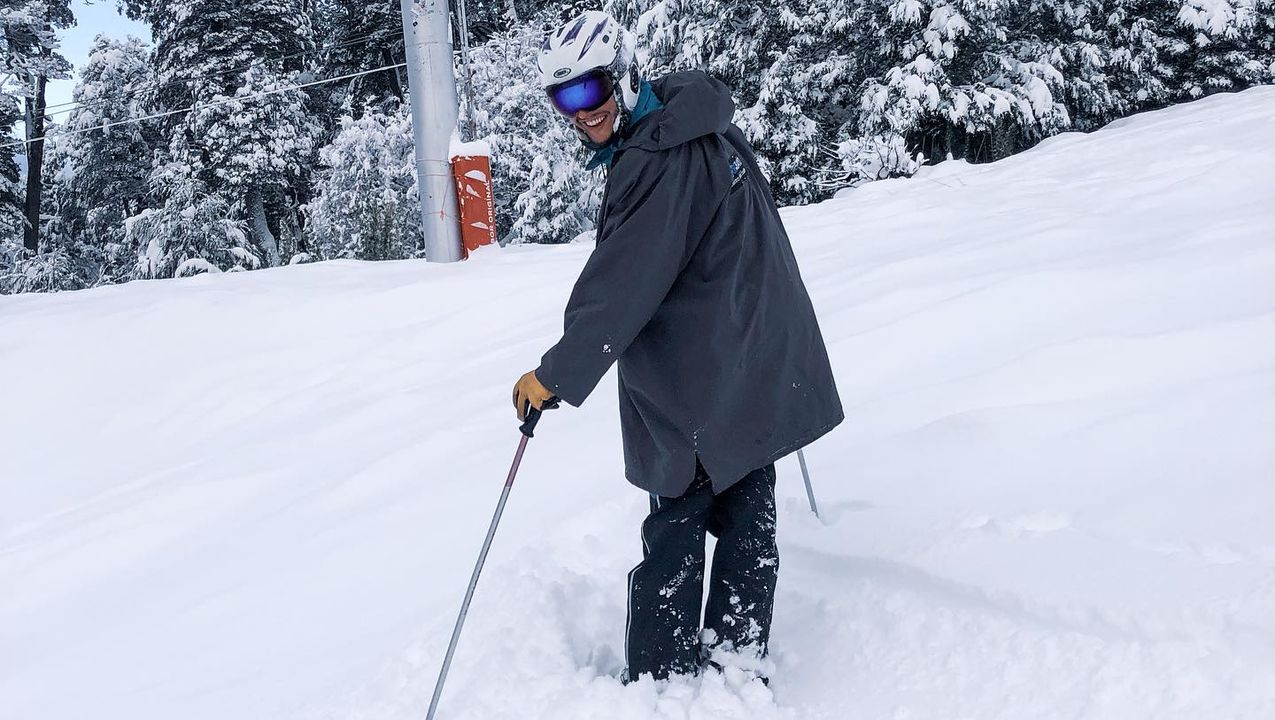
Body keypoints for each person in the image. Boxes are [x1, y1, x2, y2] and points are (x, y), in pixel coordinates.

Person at [512, 10, 844, 683]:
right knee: (748, 490)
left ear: (625, 76)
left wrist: (555, 375)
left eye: (589, 90)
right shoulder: (698, 122)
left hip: (700, 371)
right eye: (563, 98)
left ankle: (661, 677)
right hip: (749, 351)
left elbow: (623, 283)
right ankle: (737, 651)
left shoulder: (656, 157)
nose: (580, 112)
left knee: (679, 509)